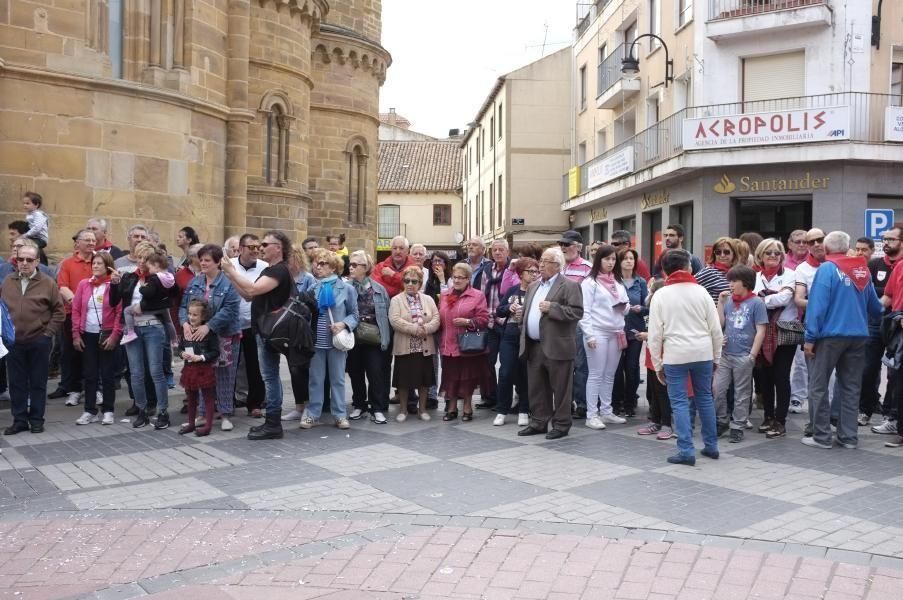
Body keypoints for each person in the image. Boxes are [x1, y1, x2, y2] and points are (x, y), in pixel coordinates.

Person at [803, 231, 883, 450]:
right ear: (847, 247)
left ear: (827, 249)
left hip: (829, 337)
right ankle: (848, 438)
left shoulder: (827, 269)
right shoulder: (861, 270)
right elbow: (876, 308)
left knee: (818, 386)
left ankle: (821, 437)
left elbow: (817, 307)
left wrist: (810, 338)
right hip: (858, 336)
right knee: (851, 388)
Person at [648, 249, 722, 466]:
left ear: (664, 270)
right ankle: (711, 446)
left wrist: (657, 364)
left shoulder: (660, 295)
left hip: (675, 355)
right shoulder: (702, 292)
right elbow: (715, 329)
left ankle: (686, 450)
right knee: (705, 398)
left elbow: (655, 335)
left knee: (679, 402)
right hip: (703, 353)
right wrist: (716, 357)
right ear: (689, 268)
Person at [220, 230, 295, 440]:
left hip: (271, 332)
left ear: (278, 248)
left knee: (270, 378)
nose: (260, 248)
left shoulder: (278, 271)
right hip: (264, 331)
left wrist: (231, 271)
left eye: (265, 244)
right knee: (268, 376)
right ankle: (272, 422)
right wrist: (229, 273)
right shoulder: (270, 270)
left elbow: (252, 290)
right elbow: (247, 295)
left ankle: (273, 423)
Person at [516, 247, 583, 440]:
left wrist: (553, 308)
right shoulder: (533, 286)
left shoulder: (570, 286)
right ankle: (538, 422)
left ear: (557, 265)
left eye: (546, 261)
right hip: (534, 345)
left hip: (558, 346)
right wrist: (523, 318)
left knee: (561, 388)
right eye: (541, 261)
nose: (541, 265)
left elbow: (577, 312)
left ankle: (562, 424)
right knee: (537, 387)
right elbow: (529, 311)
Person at [1, 244, 65, 435]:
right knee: (16, 383)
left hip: (39, 340)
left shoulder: (47, 282)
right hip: (14, 342)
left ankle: (37, 419)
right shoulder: (8, 281)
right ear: (16, 261)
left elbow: (59, 312)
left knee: (38, 382)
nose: (25, 263)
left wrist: (47, 334)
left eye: (29, 259)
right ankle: (19, 420)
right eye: (21, 259)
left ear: (37, 261)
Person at [110, 242, 172, 430]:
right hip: (133, 329)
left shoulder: (161, 278)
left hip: (153, 326)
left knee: (155, 371)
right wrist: (114, 284)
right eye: (139, 258)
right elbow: (115, 301)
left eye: (146, 258)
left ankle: (162, 411)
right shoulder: (130, 277)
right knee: (135, 373)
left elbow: (166, 302)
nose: (142, 262)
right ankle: (142, 409)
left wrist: (142, 307)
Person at [180, 244, 242, 431]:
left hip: (224, 336)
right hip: (197, 337)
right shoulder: (195, 282)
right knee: (200, 373)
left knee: (224, 376)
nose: (203, 263)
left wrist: (209, 326)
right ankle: (201, 414)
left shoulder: (228, 282)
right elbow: (184, 306)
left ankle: (225, 414)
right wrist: (184, 323)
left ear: (218, 262)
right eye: (201, 259)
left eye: (207, 260)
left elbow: (230, 309)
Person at [301, 249, 358, 430]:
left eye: (322, 264)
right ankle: (313, 413)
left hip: (336, 341)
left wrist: (343, 324)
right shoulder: (313, 287)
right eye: (316, 263)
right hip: (316, 340)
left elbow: (355, 315)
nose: (317, 267)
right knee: (316, 378)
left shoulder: (347, 288)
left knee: (338, 378)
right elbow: (304, 311)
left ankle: (340, 414)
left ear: (333, 267)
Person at [752, 238, 799, 439]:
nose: (773, 256)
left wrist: (761, 299)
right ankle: (768, 417)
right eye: (768, 252)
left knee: (781, 377)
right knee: (765, 378)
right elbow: (752, 298)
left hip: (784, 332)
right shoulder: (755, 276)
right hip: (761, 333)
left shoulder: (790, 274)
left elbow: (784, 298)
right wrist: (769, 298)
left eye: (777, 253)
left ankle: (780, 421)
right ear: (760, 256)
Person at [715, 265, 767, 444]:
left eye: (734, 281)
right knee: (718, 389)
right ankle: (722, 421)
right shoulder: (728, 301)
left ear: (745, 283)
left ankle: (737, 426)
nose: (730, 285)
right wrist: (720, 304)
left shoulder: (756, 303)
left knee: (742, 393)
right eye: (730, 281)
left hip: (743, 355)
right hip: (725, 354)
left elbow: (761, 330)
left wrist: (752, 355)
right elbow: (720, 323)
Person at [579, 244, 630, 430]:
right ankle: (591, 415)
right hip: (597, 332)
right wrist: (589, 334)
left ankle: (606, 411)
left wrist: (624, 307)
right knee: (596, 374)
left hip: (616, 332)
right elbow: (585, 311)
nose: (610, 263)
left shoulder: (617, 282)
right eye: (606, 259)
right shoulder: (590, 283)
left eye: (613, 259)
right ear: (598, 260)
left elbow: (626, 307)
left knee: (610, 375)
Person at [71, 253, 123, 426]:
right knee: (89, 374)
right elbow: (76, 309)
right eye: (94, 263)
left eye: (100, 263)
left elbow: (119, 312)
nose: (95, 266)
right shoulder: (84, 284)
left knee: (107, 374)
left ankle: (108, 410)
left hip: (106, 334)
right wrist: (76, 334)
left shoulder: (113, 285)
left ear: (108, 266)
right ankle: (89, 410)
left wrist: (115, 335)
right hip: (88, 334)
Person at [437, 262, 493, 422]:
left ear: (468, 279)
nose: (457, 280)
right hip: (448, 344)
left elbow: (483, 319)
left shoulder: (477, 295)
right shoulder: (445, 295)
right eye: (454, 277)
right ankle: (452, 407)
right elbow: (438, 317)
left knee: (468, 378)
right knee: (451, 377)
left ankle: (467, 406)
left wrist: (468, 321)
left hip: (467, 345)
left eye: (461, 277)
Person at [389, 266, 440, 422]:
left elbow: (436, 318)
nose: (410, 284)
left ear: (420, 283)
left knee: (424, 381)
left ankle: (422, 409)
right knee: (404, 381)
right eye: (406, 281)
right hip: (405, 346)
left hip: (424, 346)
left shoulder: (428, 299)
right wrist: (414, 329)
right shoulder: (396, 300)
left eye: (414, 281)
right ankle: (403, 410)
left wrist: (426, 328)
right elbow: (394, 320)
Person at [863, 226, 902, 430]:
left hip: (898, 327)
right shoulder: (889, 266)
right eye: (884, 239)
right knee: (871, 368)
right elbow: (885, 297)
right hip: (885, 324)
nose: (886, 243)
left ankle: (892, 417)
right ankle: (871, 411)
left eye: (891, 239)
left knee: (895, 374)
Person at [473, 239, 519, 411]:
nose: (498, 253)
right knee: (487, 362)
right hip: (489, 322)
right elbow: (481, 294)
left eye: (501, 250)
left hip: (507, 322)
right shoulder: (486, 270)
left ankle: (509, 398)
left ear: (508, 252)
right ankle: (490, 396)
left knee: (509, 365)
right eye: (494, 250)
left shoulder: (513, 269)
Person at [347, 250, 392, 424]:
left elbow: (386, 315)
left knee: (375, 374)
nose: (351, 267)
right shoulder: (346, 287)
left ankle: (377, 408)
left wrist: (386, 341)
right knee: (355, 372)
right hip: (353, 338)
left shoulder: (379, 289)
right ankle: (359, 405)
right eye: (350, 264)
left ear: (365, 268)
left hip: (374, 338)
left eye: (355, 264)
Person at [494, 257, 538, 426]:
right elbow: (499, 311)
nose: (534, 275)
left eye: (536, 271)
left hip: (528, 338)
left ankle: (524, 410)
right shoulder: (512, 291)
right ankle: (501, 410)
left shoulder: (538, 291)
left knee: (525, 374)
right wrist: (509, 308)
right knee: (505, 373)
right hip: (510, 337)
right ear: (520, 274)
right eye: (530, 271)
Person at [55, 228, 97, 406]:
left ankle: (95, 389)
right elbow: (62, 286)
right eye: (87, 240)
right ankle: (74, 390)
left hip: (96, 315)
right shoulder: (68, 263)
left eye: (93, 240)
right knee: (73, 354)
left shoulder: (99, 261)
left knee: (95, 354)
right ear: (77, 243)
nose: (91, 243)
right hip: (73, 314)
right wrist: (77, 302)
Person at [231, 234, 268, 419]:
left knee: (255, 366)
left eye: (257, 247)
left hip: (254, 324)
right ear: (240, 248)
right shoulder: (229, 265)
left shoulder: (264, 267)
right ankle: (227, 401)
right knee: (229, 365)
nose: (255, 251)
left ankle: (255, 403)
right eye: (251, 247)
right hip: (231, 324)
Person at [791, 228, 827, 418]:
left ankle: (829, 412)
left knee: (833, 371)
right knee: (804, 365)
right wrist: (825, 307)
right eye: (810, 241)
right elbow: (798, 299)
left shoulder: (837, 263)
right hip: (806, 323)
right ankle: (801, 400)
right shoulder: (802, 268)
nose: (814, 244)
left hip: (835, 327)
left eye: (819, 240)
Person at [559, 230, 592, 420]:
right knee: (562, 365)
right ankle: (564, 403)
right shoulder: (557, 267)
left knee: (580, 365)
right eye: (562, 244)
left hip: (577, 323)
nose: (563, 247)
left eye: (567, 244)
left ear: (578, 247)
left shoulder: (588, 268)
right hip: (557, 323)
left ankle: (581, 404)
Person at [612, 247, 648, 418]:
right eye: (625, 258)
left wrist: (641, 308)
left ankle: (630, 402)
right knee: (617, 369)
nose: (628, 261)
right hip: (616, 330)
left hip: (635, 330)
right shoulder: (613, 281)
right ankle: (616, 402)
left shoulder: (640, 282)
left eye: (631, 258)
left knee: (632, 367)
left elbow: (648, 307)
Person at [636, 279, 674, 440]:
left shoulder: (669, 308)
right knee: (654, 390)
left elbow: (668, 331)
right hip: (652, 354)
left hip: (664, 354)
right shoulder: (652, 307)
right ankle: (655, 420)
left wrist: (647, 335)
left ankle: (667, 423)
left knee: (663, 391)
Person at [177, 299, 221, 437]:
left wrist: (201, 357)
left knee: (208, 398)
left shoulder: (209, 333)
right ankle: (191, 424)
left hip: (204, 369)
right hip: (189, 370)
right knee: (191, 398)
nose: (191, 317)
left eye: (195, 315)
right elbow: (180, 348)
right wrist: (182, 353)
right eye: (189, 314)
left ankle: (207, 426)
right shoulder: (186, 330)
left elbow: (215, 352)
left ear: (203, 317)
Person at [120, 252, 178, 346]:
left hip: (149, 309)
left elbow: (148, 293)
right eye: (139, 258)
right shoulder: (170, 277)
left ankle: (130, 333)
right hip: (164, 307)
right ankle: (174, 340)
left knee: (127, 310)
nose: (149, 270)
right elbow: (175, 291)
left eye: (150, 267)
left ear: (156, 265)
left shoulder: (154, 278)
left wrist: (142, 287)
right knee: (168, 321)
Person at [695, 237, 741, 303]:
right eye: (718, 252)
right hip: (715, 312)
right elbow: (690, 288)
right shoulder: (709, 272)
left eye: (726, 252)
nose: (722, 255)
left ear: (734, 253)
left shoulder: (739, 273)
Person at [21, 191, 49, 265]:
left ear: (36, 204)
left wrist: (25, 235)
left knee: (32, 246)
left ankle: (43, 264)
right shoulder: (30, 214)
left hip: (40, 239)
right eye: (24, 203)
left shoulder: (39, 214)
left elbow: (37, 228)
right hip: (33, 237)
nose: (25, 205)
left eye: (27, 203)